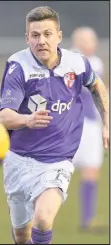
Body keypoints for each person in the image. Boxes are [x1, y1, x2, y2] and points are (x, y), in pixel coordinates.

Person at [0, 6, 109, 244]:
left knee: (44, 218)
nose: (41, 41)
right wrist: (27, 120)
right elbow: (4, 116)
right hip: (18, 160)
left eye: (47, 34)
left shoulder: (77, 63)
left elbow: (97, 85)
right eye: (35, 35)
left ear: (59, 35)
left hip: (57, 160)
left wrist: (106, 122)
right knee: (21, 235)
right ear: (27, 38)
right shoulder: (18, 66)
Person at [71, 27, 108, 233]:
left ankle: (87, 220)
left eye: (92, 39)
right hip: (75, 124)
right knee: (60, 171)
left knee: (92, 170)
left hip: (92, 125)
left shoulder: (96, 63)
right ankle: (40, 217)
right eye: (86, 39)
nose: (91, 43)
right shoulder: (70, 61)